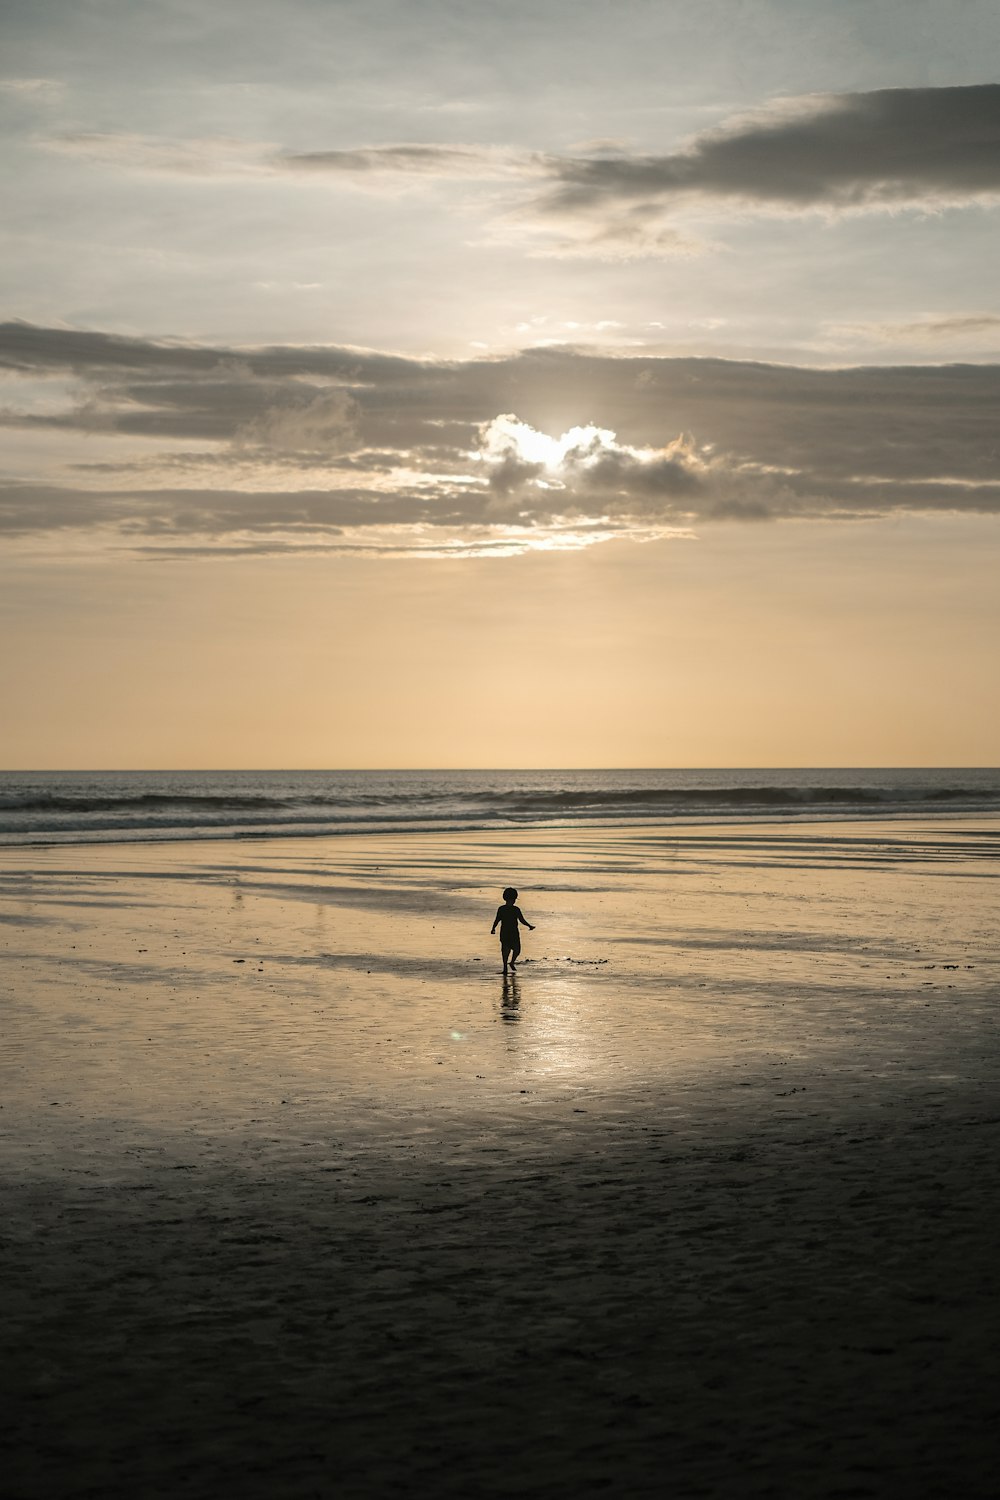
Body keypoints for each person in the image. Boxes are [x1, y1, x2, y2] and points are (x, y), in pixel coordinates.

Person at [491, 887, 534, 973]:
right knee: (506, 950)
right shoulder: (502, 909)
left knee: (516, 950)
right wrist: (493, 928)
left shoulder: (515, 909)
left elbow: (521, 920)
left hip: (512, 932)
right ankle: (505, 968)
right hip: (506, 932)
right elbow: (497, 919)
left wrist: (529, 925)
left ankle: (511, 963)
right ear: (514, 899)